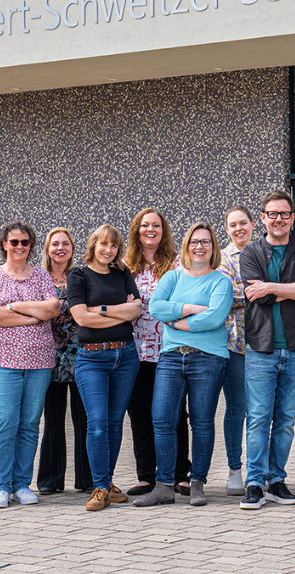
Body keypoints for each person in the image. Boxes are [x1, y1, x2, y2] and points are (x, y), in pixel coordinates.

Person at [137, 222, 235, 507]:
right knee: (162, 420)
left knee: (202, 422)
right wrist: (190, 309)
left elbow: (214, 318)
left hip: (208, 359)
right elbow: (156, 307)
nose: (199, 247)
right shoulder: (172, 277)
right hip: (170, 357)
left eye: (205, 242)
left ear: (213, 247)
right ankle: (164, 485)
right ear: (186, 246)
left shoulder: (220, 282)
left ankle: (197, 483)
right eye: (194, 241)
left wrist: (175, 322)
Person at [236, 190, 295, 509]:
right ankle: (255, 483)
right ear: (263, 218)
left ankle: (276, 480)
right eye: (272, 214)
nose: (278, 219)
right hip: (261, 347)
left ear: (292, 218)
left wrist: (271, 286)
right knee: (258, 417)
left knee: (285, 419)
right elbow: (257, 296)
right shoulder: (251, 253)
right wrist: (290, 291)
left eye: (284, 214)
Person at [0, 222, 62, 508]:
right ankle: (1, 486)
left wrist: (13, 306)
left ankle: (21, 484)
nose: (19, 247)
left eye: (24, 242)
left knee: (29, 423)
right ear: (4, 244)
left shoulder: (40, 275)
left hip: (39, 360)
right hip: (2, 360)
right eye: (14, 242)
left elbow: (52, 308)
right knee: (4, 422)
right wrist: (32, 315)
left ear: (31, 246)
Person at [66, 224, 144, 512]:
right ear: (93, 245)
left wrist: (99, 310)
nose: (108, 250)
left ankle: (108, 483)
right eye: (103, 244)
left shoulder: (122, 273)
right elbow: (81, 319)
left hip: (125, 357)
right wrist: (119, 311)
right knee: (97, 422)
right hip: (92, 359)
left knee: (114, 422)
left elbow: (136, 310)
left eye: (113, 246)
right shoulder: (79, 275)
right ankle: (99, 487)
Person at [124, 208, 190, 496]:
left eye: (156, 226)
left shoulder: (177, 264)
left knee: (174, 413)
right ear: (136, 230)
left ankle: (180, 474)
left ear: (164, 232)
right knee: (139, 413)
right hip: (135, 351)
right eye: (145, 225)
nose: (150, 230)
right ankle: (146, 476)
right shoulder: (126, 266)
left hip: (169, 350)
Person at [36, 227, 90, 494]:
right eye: (55, 244)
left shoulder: (82, 276)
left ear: (72, 248)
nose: (60, 248)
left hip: (82, 356)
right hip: (50, 356)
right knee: (53, 419)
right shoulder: (38, 277)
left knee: (85, 419)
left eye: (65, 244)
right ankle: (50, 481)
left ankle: (87, 480)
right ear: (48, 249)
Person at [217, 205, 255, 495]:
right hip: (235, 344)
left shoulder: (265, 252)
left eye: (243, 222)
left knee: (262, 411)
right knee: (237, 408)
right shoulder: (222, 259)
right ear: (227, 229)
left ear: (253, 224)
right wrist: (266, 289)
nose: (238, 228)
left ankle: (260, 469)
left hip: (266, 342)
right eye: (233, 224)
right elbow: (226, 296)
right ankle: (234, 469)